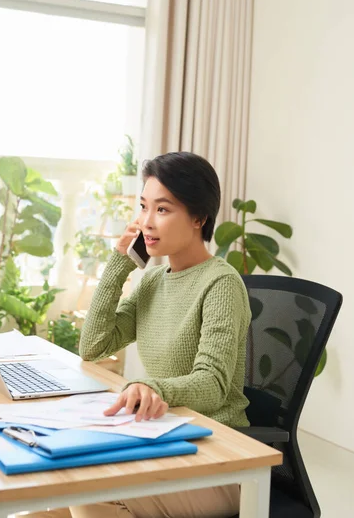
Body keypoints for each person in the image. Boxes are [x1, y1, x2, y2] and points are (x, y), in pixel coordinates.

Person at [70, 151, 251, 518]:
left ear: (199, 217)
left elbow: (212, 384)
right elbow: (94, 346)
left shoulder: (221, 284)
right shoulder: (152, 280)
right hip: (164, 439)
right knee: (53, 492)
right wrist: (121, 263)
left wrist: (154, 388)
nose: (146, 223)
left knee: (84, 490)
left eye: (162, 210)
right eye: (143, 206)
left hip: (219, 458)